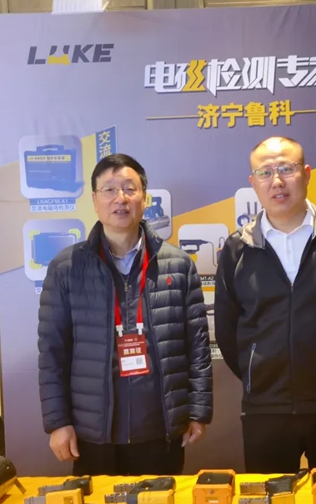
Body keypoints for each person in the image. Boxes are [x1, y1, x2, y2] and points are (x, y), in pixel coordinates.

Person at [38, 153, 212, 476]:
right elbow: (52, 353)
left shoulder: (178, 265)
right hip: (92, 434)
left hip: (161, 430)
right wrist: (58, 422)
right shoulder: (67, 268)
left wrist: (198, 411)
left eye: (130, 189)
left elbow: (198, 347)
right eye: (109, 190)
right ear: (94, 200)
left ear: (144, 198)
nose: (120, 198)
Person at [215, 136, 316, 473]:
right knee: (270, 503)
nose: (276, 181)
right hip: (265, 407)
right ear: (253, 183)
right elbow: (227, 331)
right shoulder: (237, 249)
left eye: (286, 169)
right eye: (265, 173)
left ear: (306, 174)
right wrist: (258, 373)